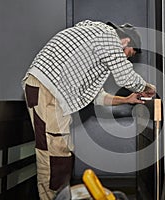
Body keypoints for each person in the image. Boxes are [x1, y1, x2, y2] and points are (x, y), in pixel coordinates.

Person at [22, 20, 155, 199]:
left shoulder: (94, 44)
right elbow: (126, 77)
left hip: (50, 91)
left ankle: (59, 196)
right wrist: (146, 87)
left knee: (61, 150)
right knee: (54, 152)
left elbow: (97, 96)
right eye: (128, 55)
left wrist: (127, 99)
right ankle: (53, 198)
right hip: (47, 89)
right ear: (126, 42)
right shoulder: (108, 36)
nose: (125, 59)